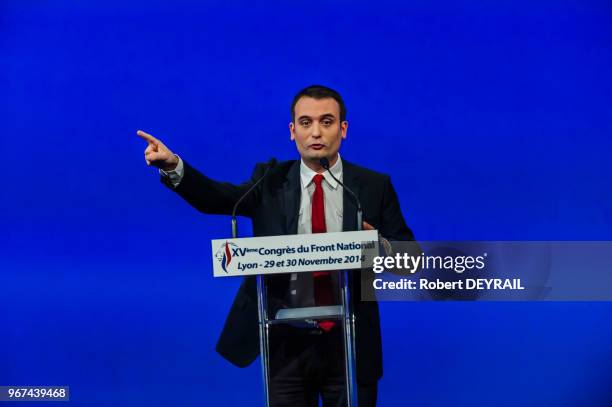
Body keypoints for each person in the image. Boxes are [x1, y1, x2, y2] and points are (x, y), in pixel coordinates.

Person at [137, 85, 417, 406]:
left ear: (343, 129)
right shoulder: (269, 180)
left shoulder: (371, 186)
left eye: (326, 122)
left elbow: (412, 259)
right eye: (306, 122)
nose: (316, 132)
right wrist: (174, 166)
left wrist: (379, 246)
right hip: (285, 339)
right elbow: (218, 197)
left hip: (350, 340)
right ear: (292, 131)